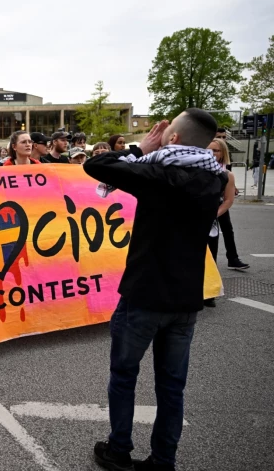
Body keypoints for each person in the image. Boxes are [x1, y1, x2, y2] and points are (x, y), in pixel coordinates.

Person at [85, 109, 227, 471]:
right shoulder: (214, 179)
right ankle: (164, 460)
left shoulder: (159, 172)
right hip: (185, 301)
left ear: (174, 138)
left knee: (124, 376)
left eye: (166, 133)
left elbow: (97, 165)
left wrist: (138, 148)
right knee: (172, 386)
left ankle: (119, 450)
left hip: (144, 295)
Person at [207, 138, 249, 270]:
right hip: (199, 211)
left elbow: (229, 200)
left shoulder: (226, 174)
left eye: (216, 150)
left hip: (217, 207)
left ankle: (232, 258)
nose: (212, 153)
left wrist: (214, 214)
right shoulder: (194, 169)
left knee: (226, 230)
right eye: (209, 150)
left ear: (222, 153)